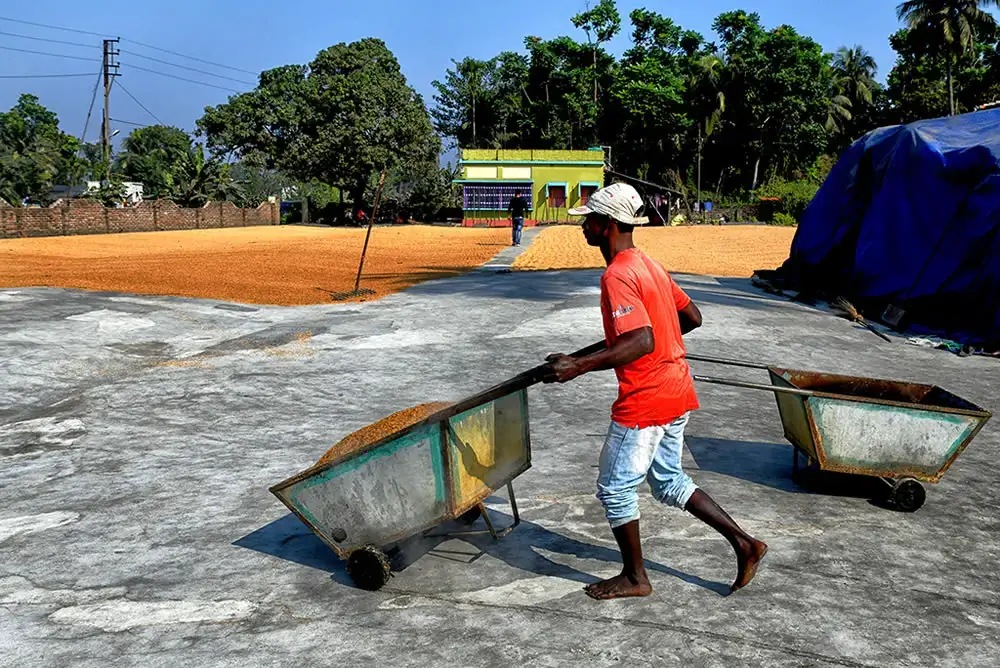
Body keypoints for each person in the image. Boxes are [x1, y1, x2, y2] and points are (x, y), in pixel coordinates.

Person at [542, 182, 767, 600]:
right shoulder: (650, 265)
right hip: (678, 388)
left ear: (608, 224)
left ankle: (634, 577)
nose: (583, 227)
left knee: (614, 487)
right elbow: (692, 317)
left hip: (647, 397)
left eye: (588, 220)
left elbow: (641, 341)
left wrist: (579, 366)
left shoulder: (617, 275)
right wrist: (580, 355)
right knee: (667, 480)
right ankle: (745, 543)